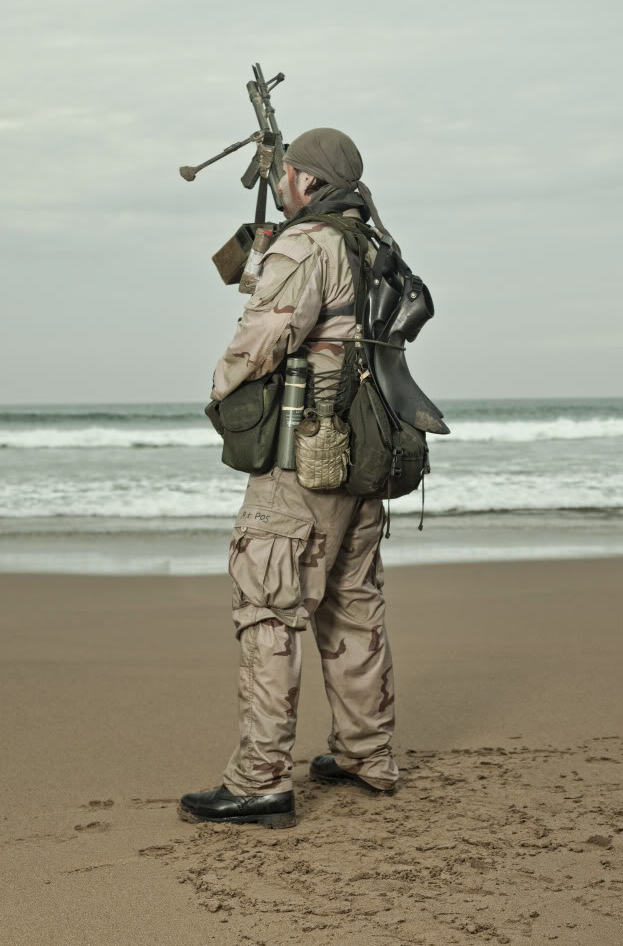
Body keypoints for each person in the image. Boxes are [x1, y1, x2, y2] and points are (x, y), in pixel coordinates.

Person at [179, 129, 399, 829]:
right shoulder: (370, 243)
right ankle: (367, 752)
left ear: (306, 179)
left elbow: (262, 338)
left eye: (290, 175)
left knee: (270, 605)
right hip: (362, 452)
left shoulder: (310, 245)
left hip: (302, 460)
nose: (283, 184)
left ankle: (260, 779)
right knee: (351, 601)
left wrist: (219, 391)